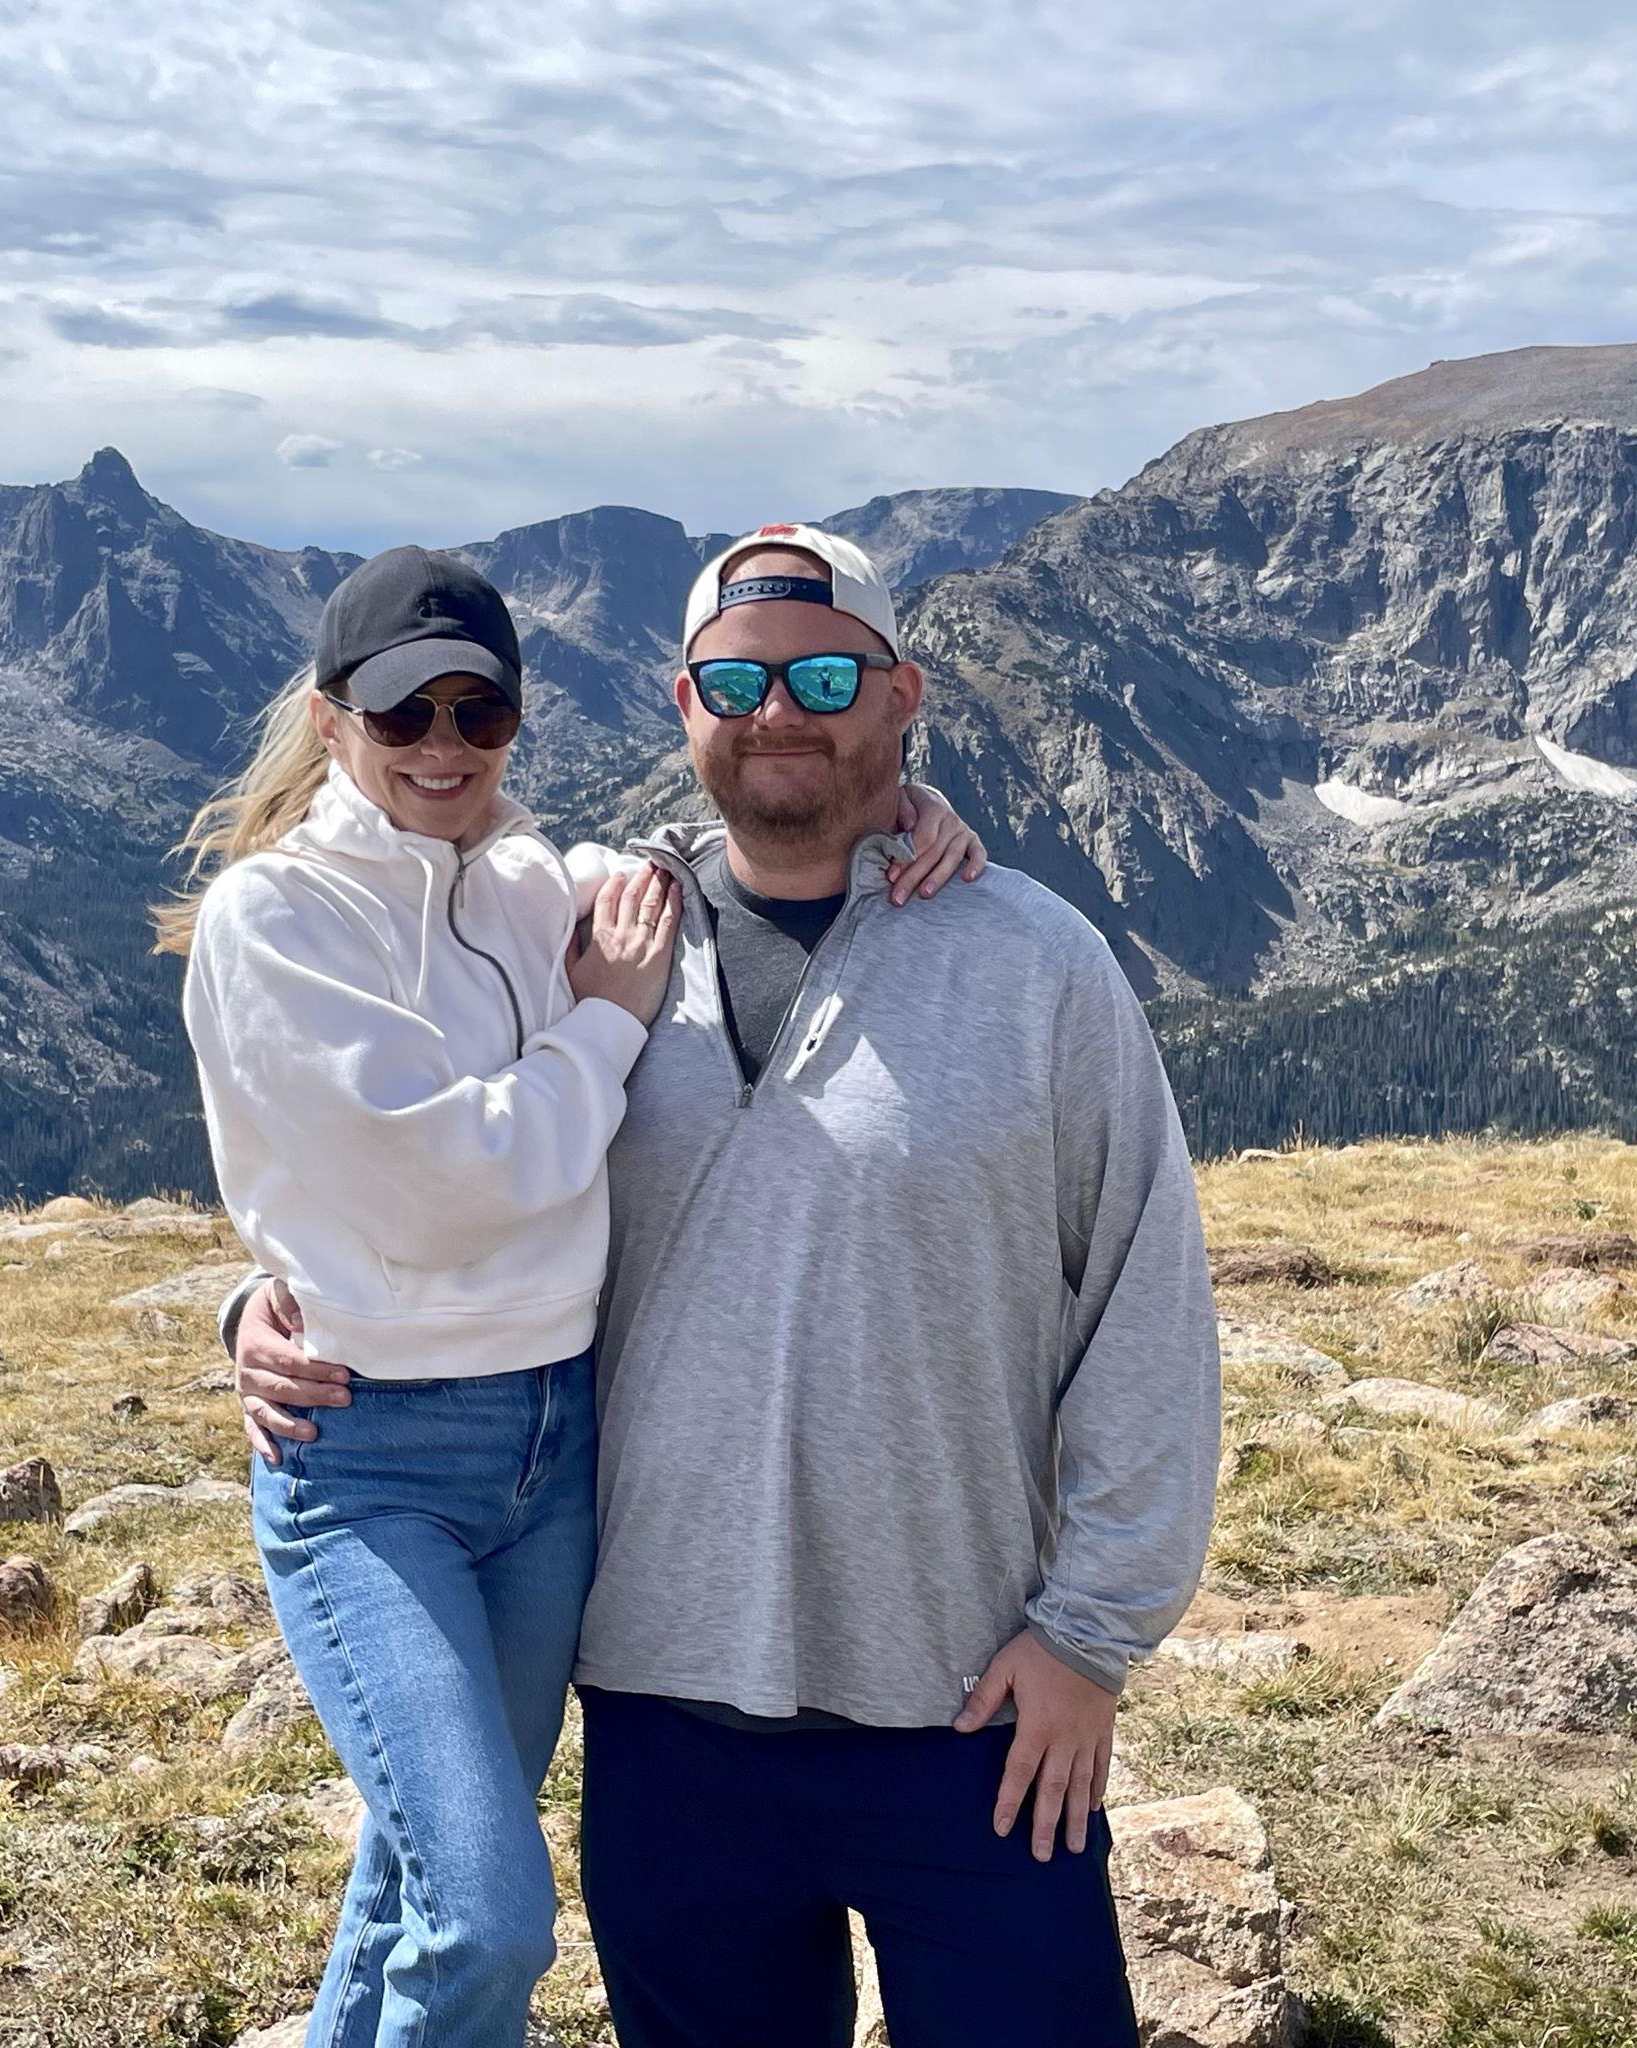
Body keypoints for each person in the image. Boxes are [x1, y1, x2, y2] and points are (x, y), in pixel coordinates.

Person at [232, 524, 1220, 2048]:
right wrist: (251, 1303)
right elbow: (360, 1137)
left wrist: (1093, 1636)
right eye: (737, 678)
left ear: (905, 697)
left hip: (973, 1708)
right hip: (667, 1717)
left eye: (825, 675)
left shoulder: (1040, 965)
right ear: (681, 702)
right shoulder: (596, 931)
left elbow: (1145, 1306)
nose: (780, 711)